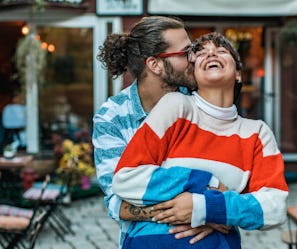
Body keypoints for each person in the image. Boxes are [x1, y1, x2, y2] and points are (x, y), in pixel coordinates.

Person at [112, 32, 289, 249]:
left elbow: (274, 207)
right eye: (202, 54)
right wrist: (208, 183)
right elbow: (126, 177)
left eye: (221, 51)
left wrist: (205, 208)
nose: (211, 54)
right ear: (194, 74)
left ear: (239, 74)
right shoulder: (176, 107)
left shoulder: (257, 133)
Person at [93, 16, 224, 249]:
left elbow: (230, 181)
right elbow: (118, 203)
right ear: (154, 65)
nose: (194, 58)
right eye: (185, 53)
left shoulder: (203, 102)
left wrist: (209, 210)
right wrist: (197, 210)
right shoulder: (112, 116)